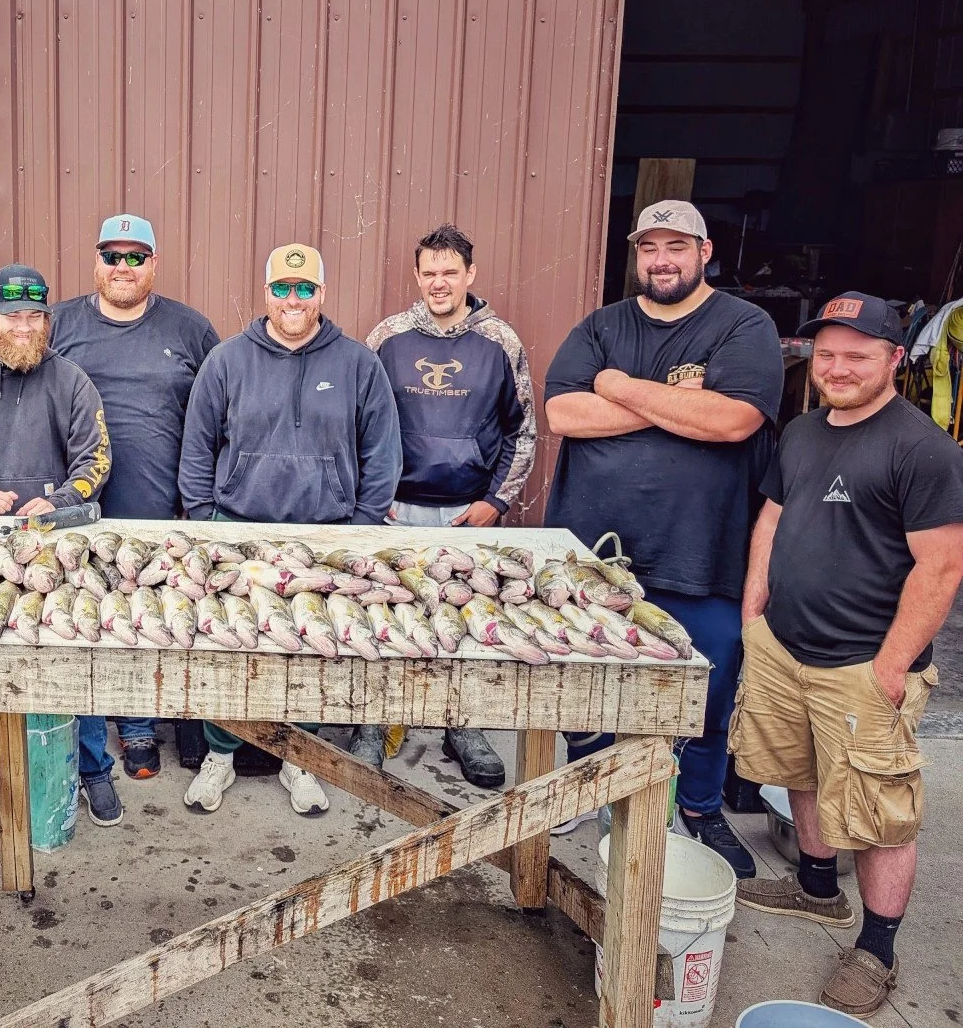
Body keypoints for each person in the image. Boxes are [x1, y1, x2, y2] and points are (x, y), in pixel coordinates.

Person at [732, 293, 963, 1019]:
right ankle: (815, 886)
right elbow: (772, 514)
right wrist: (754, 607)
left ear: (896, 358)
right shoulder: (802, 431)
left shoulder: (922, 447)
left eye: (856, 356)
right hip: (785, 646)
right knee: (800, 768)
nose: (837, 367)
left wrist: (892, 665)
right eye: (826, 354)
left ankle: (878, 949)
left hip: (862, 662)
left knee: (878, 809)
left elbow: (942, 567)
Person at [544, 199, 782, 877]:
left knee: (704, 686)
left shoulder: (744, 324)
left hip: (699, 551)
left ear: (705, 252)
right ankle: (587, 783)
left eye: (676, 245)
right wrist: (680, 402)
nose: (662, 259)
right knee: (584, 679)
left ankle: (700, 807)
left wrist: (617, 387)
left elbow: (735, 418)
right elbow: (563, 410)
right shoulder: (601, 324)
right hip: (597, 553)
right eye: (650, 246)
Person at [178, 244, 401, 815]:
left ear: (322, 294)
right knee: (229, 651)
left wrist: (361, 528)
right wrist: (207, 522)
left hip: (323, 536)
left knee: (311, 651)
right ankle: (221, 756)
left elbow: (382, 451)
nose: (293, 299)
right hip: (239, 533)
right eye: (283, 288)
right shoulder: (227, 360)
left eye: (305, 289)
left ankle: (299, 760)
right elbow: (198, 446)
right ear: (267, 292)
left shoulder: (357, 363)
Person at [0, 265, 115, 815]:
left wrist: (58, 504)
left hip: (56, 546)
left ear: (47, 320)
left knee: (74, 657)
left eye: (35, 317)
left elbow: (95, 459)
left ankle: (93, 768)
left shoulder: (72, 381)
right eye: (13, 317)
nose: (25, 328)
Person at [51, 215, 221, 787]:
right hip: (72, 507)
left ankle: (142, 721)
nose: (123, 267)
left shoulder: (192, 329)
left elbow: (217, 421)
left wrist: (197, 500)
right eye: (112, 255)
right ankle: (87, 724)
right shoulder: (58, 324)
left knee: (144, 613)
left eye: (136, 256)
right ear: (96, 262)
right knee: (83, 612)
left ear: (155, 264)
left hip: (156, 503)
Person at [366, 223, 536, 781]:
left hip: (468, 512)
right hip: (397, 508)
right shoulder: (387, 337)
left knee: (463, 623)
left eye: (450, 273)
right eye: (429, 273)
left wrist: (496, 500)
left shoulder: (500, 342)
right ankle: (374, 722)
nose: (439, 283)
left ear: (470, 274)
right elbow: (359, 423)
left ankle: (462, 725)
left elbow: (524, 431)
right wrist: (374, 497)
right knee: (386, 617)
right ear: (416, 276)